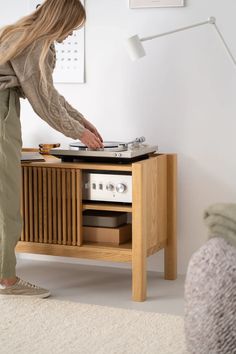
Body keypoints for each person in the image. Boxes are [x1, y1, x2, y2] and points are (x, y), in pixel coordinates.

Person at [0, 0, 103, 298]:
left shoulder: (20, 32)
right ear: (62, 20)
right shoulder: (36, 43)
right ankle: (7, 280)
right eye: (72, 27)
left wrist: (80, 120)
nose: (71, 34)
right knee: (6, 199)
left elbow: (48, 92)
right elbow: (43, 101)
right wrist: (79, 132)